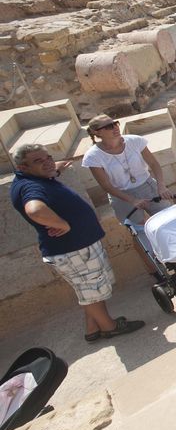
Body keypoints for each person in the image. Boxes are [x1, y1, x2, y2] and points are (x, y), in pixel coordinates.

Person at [10, 144, 146, 341]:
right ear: (23, 168)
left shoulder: (35, 177)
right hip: (73, 250)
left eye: (48, 157)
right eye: (38, 161)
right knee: (91, 290)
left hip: (78, 248)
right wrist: (62, 224)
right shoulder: (29, 186)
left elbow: (47, 170)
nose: (47, 162)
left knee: (90, 289)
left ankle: (92, 328)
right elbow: (34, 210)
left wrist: (55, 168)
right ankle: (110, 327)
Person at [82, 114, 174, 276]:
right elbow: (106, 185)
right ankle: (156, 271)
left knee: (169, 222)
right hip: (121, 195)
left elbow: (153, 164)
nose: (115, 128)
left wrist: (161, 185)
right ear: (97, 133)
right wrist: (132, 200)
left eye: (114, 123)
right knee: (139, 233)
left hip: (148, 186)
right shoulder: (93, 156)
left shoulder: (134, 140)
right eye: (108, 126)